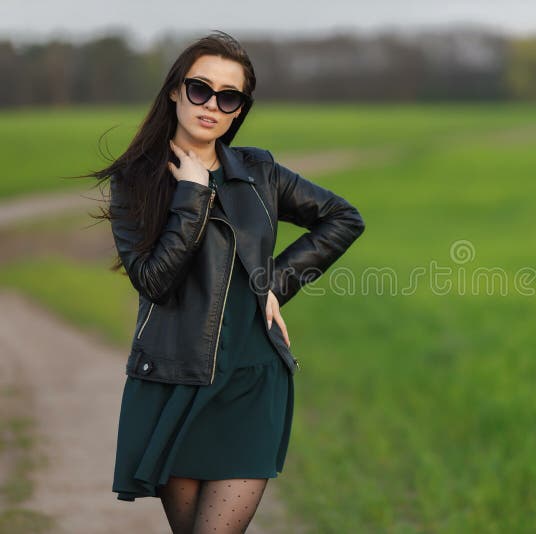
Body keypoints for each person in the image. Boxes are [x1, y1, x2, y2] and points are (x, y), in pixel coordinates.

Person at [86, 30, 365, 533]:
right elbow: (154, 281)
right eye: (200, 88)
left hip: (251, 377)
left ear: (239, 110)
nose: (211, 104)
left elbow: (342, 218)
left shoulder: (259, 172)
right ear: (175, 90)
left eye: (228, 96)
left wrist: (276, 283)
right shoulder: (135, 180)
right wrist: (192, 195)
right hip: (175, 377)